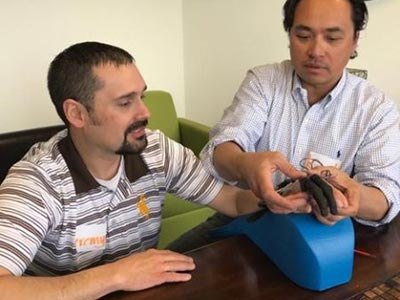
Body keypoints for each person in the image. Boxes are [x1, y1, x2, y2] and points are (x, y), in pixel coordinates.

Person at [0, 41, 267, 300]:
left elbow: (232, 201)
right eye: (125, 103)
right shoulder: (36, 181)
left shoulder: (156, 150)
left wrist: (283, 194)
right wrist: (116, 276)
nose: (145, 112)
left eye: (142, 96)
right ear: (77, 114)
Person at [167, 0, 400, 253]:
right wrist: (245, 163)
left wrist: (354, 195)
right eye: (303, 35)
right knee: (170, 268)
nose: (316, 51)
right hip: (249, 215)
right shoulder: (263, 82)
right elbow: (223, 147)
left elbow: (385, 197)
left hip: (323, 234)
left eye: (332, 38)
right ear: (289, 35)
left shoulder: (376, 108)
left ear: (354, 40)